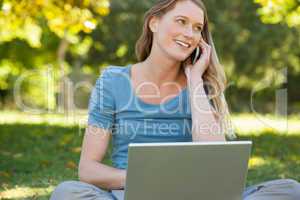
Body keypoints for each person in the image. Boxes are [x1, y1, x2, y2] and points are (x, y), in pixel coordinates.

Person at [50, 0, 300, 199]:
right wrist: (149, 180)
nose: (189, 33)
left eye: (197, 27)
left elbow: (217, 161)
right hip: (131, 193)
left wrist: (194, 80)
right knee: (68, 193)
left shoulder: (203, 86)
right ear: (154, 23)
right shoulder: (112, 82)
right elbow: (88, 170)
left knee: (289, 190)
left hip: (195, 195)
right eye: (181, 21)